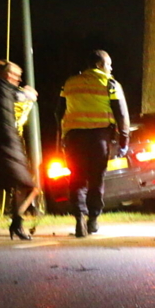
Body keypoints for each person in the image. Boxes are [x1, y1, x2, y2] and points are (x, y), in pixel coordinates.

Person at [59, 49, 130, 237]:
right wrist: (124, 140)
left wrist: (62, 136)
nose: (111, 68)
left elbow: (59, 111)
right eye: (109, 64)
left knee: (77, 177)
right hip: (99, 138)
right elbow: (121, 114)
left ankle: (78, 217)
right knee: (96, 178)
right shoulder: (110, 84)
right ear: (100, 65)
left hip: (74, 137)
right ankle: (92, 219)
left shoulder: (70, 83)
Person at [0, 59, 41, 239]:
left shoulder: (1, 88)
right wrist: (28, 94)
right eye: (17, 76)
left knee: (18, 186)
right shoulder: (3, 88)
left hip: (8, 144)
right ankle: (15, 223)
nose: (19, 80)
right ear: (9, 75)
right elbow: (19, 96)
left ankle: (14, 223)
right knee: (30, 187)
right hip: (7, 145)